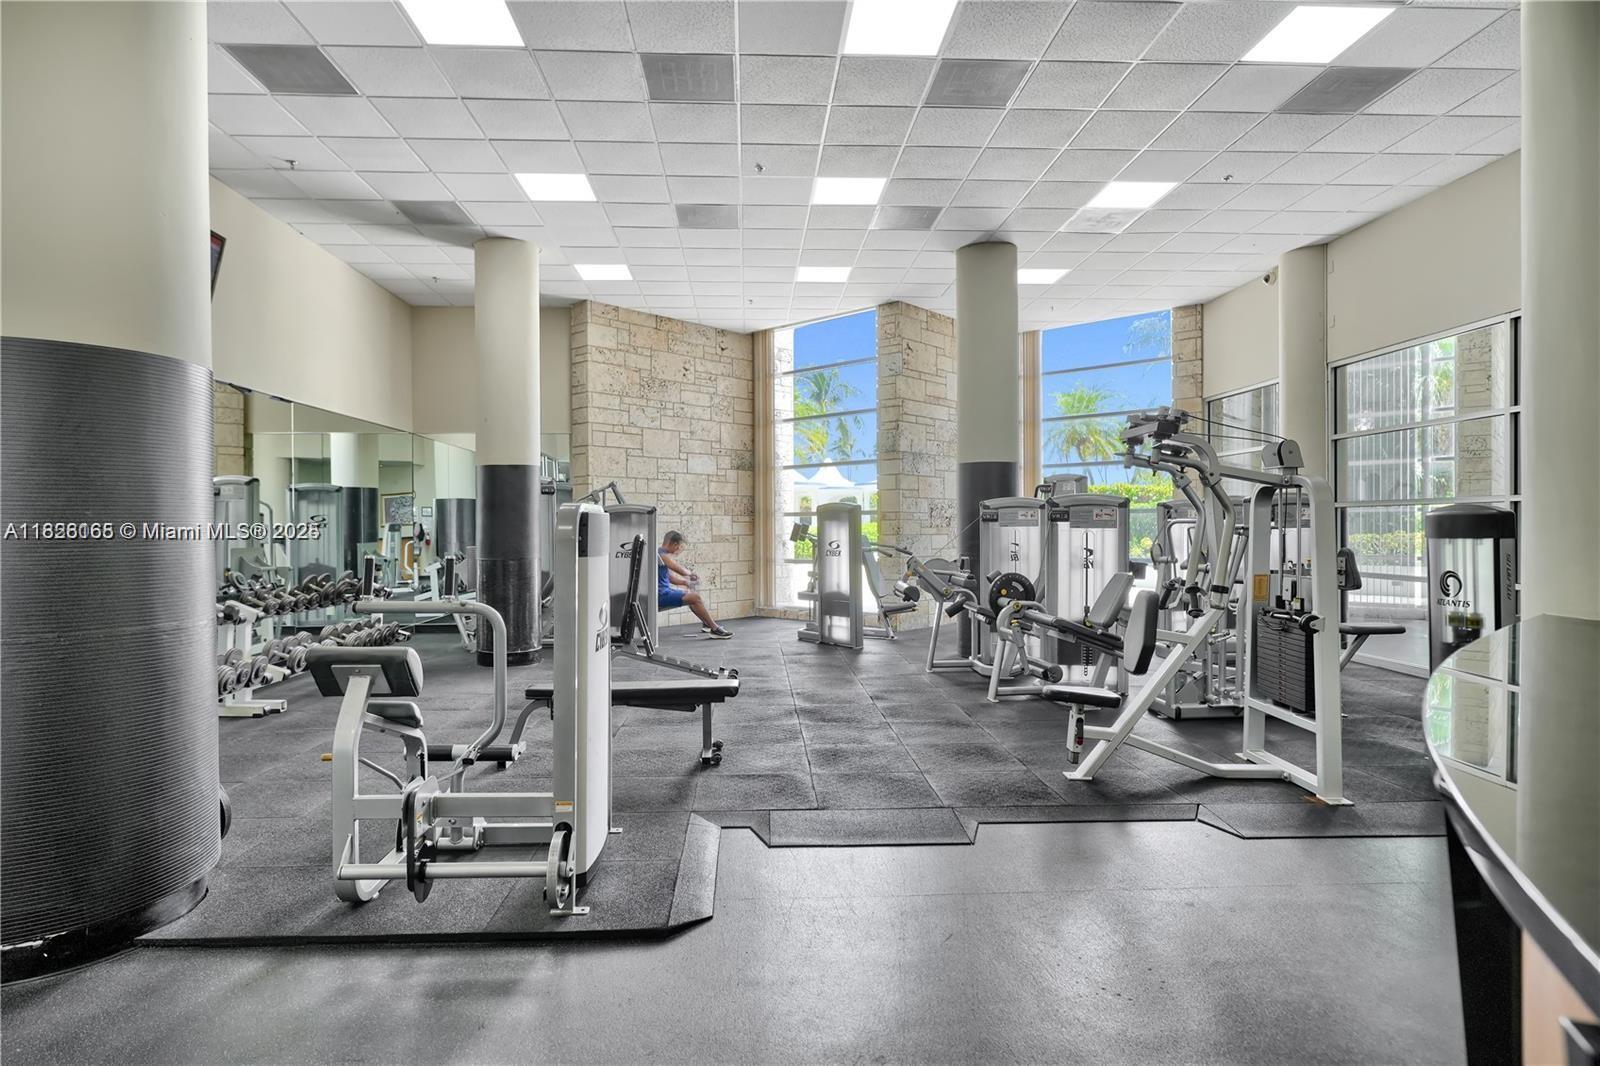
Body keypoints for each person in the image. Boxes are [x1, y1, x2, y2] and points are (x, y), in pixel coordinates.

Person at [658, 530, 732, 639]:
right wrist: (691, 574)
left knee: (691, 596)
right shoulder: (662, 555)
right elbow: (679, 569)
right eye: (679, 547)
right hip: (660, 595)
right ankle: (715, 629)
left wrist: (685, 582)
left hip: (663, 592)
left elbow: (669, 577)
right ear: (674, 544)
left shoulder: (659, 555)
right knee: (695, 598)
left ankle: (707, 624)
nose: (679, 550)